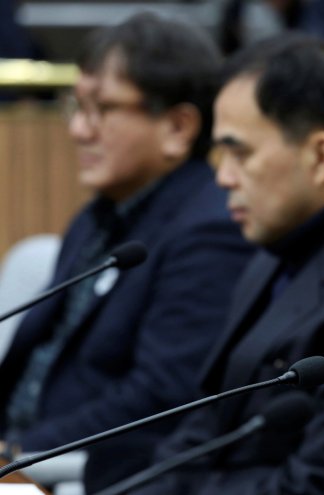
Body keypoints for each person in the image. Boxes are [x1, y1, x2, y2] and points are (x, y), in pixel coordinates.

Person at [130, 33, 324, 494]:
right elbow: (206, 421)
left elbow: (319, 482)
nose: (222, 176)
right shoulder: (274, 248)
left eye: (240, 152)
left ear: (320, 156)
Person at [0, 12, 252, 491]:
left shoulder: (211, 232)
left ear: (178, 127)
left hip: (82, 472)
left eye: (102, 109)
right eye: (75, 105)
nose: (78, 129)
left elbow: (161, 397)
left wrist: (18, 456)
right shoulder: (103, 212)